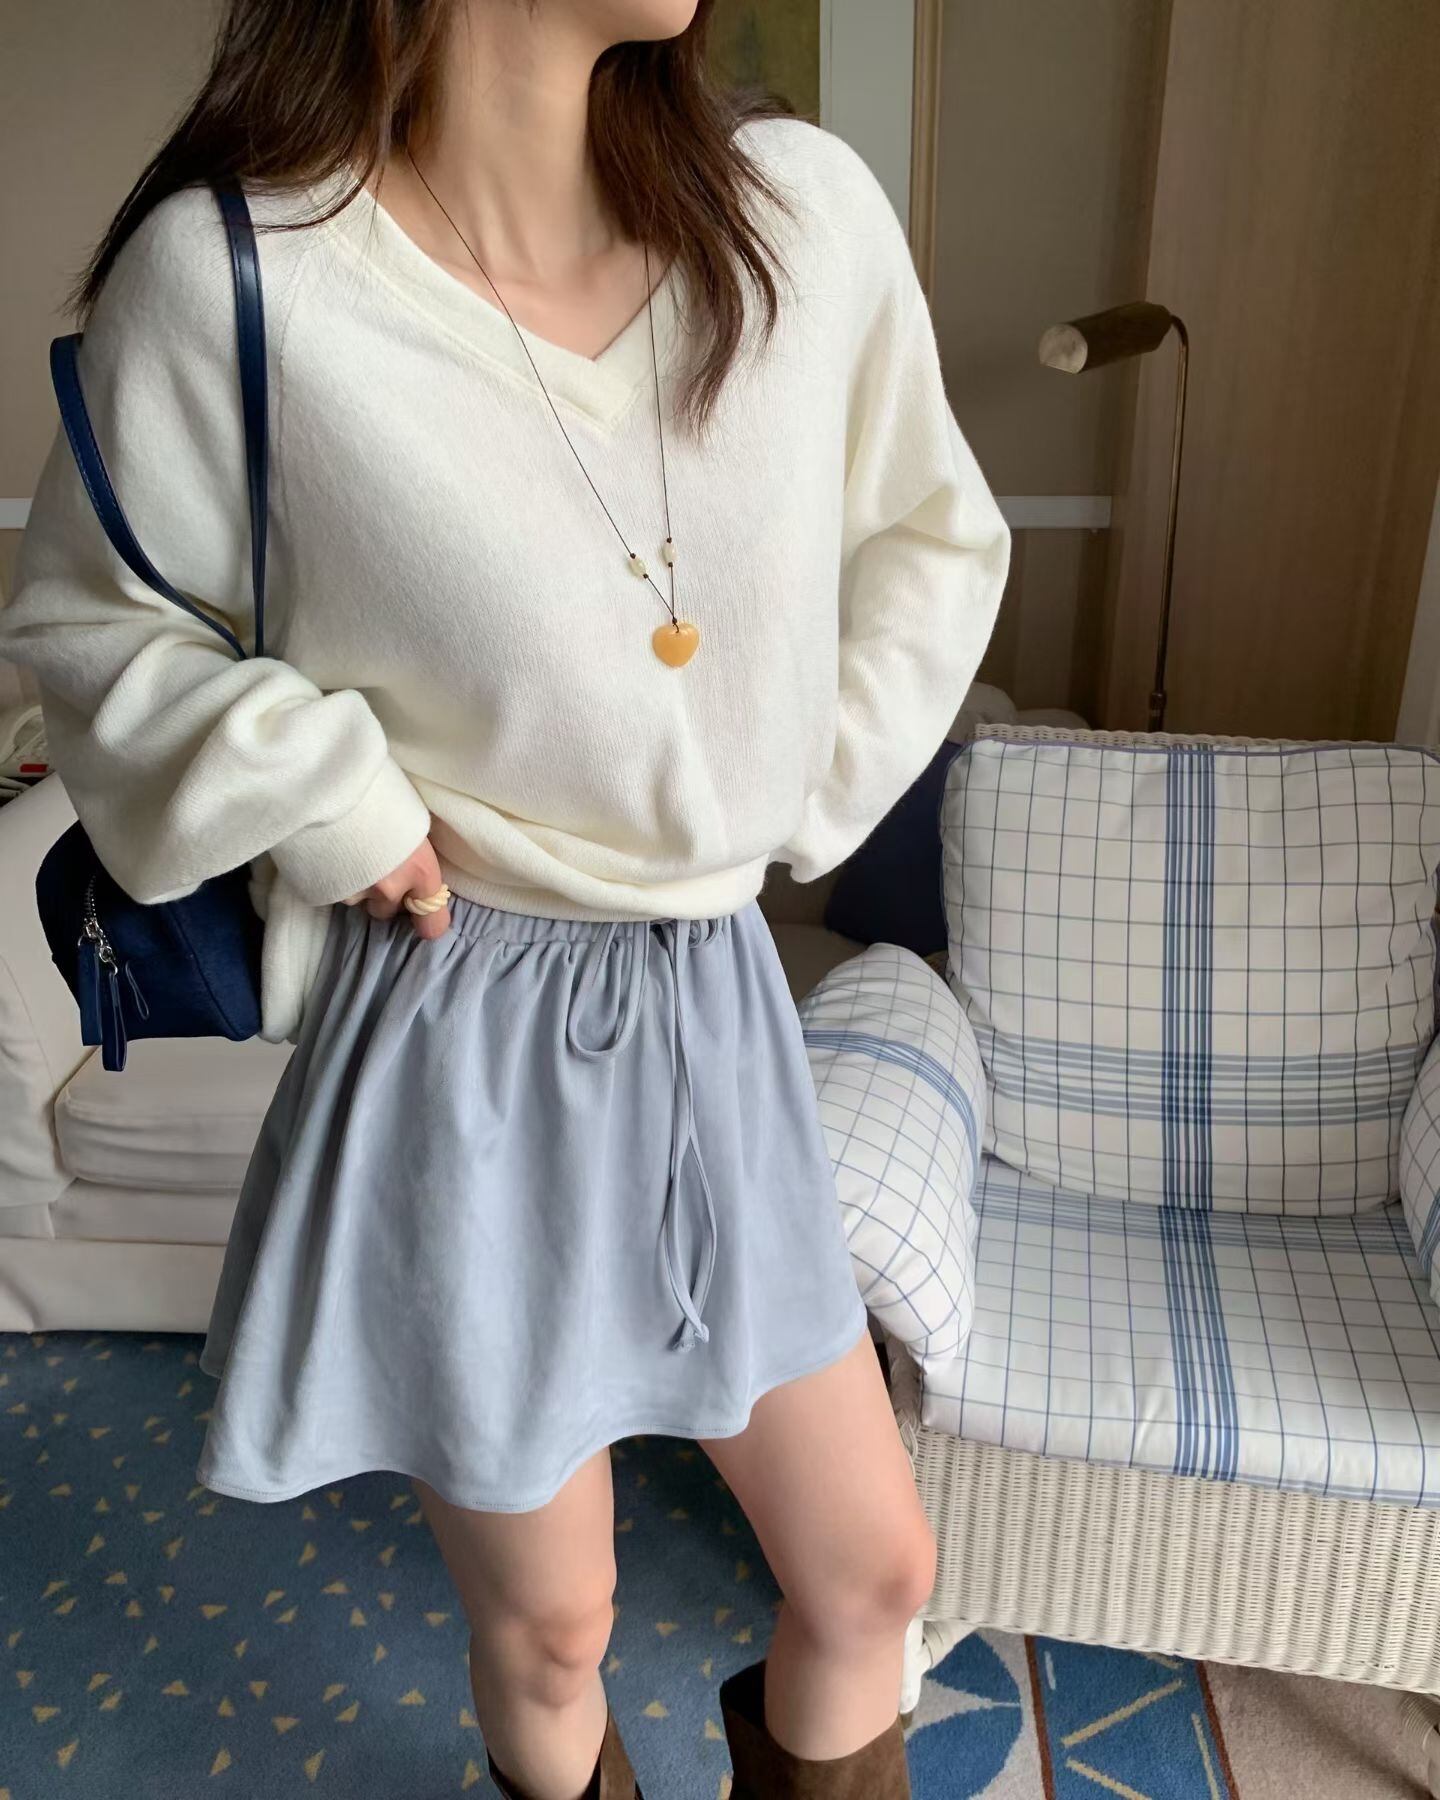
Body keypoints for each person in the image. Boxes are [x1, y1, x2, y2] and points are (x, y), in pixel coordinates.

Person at [0, 2, 1010, 1794]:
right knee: (555, 1624)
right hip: (456, 1010)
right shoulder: (243, 276)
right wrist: (326, 794)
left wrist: (799, 786)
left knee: (874, 1574)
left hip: (712, 1000)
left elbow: (934, 535)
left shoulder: (802, 214)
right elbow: (92, 626)